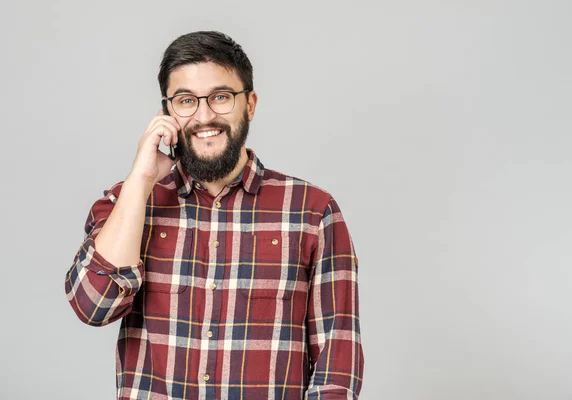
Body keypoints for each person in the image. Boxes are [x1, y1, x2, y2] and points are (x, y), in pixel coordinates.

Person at [65, 30, 364, 400]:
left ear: (249, 104)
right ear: (166, 112)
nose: (204, 116)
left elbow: (337, 367)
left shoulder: (313, 211)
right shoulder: (128, 202)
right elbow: (93, 306)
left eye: (221, 97)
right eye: (186, 100)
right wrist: (140, 183)